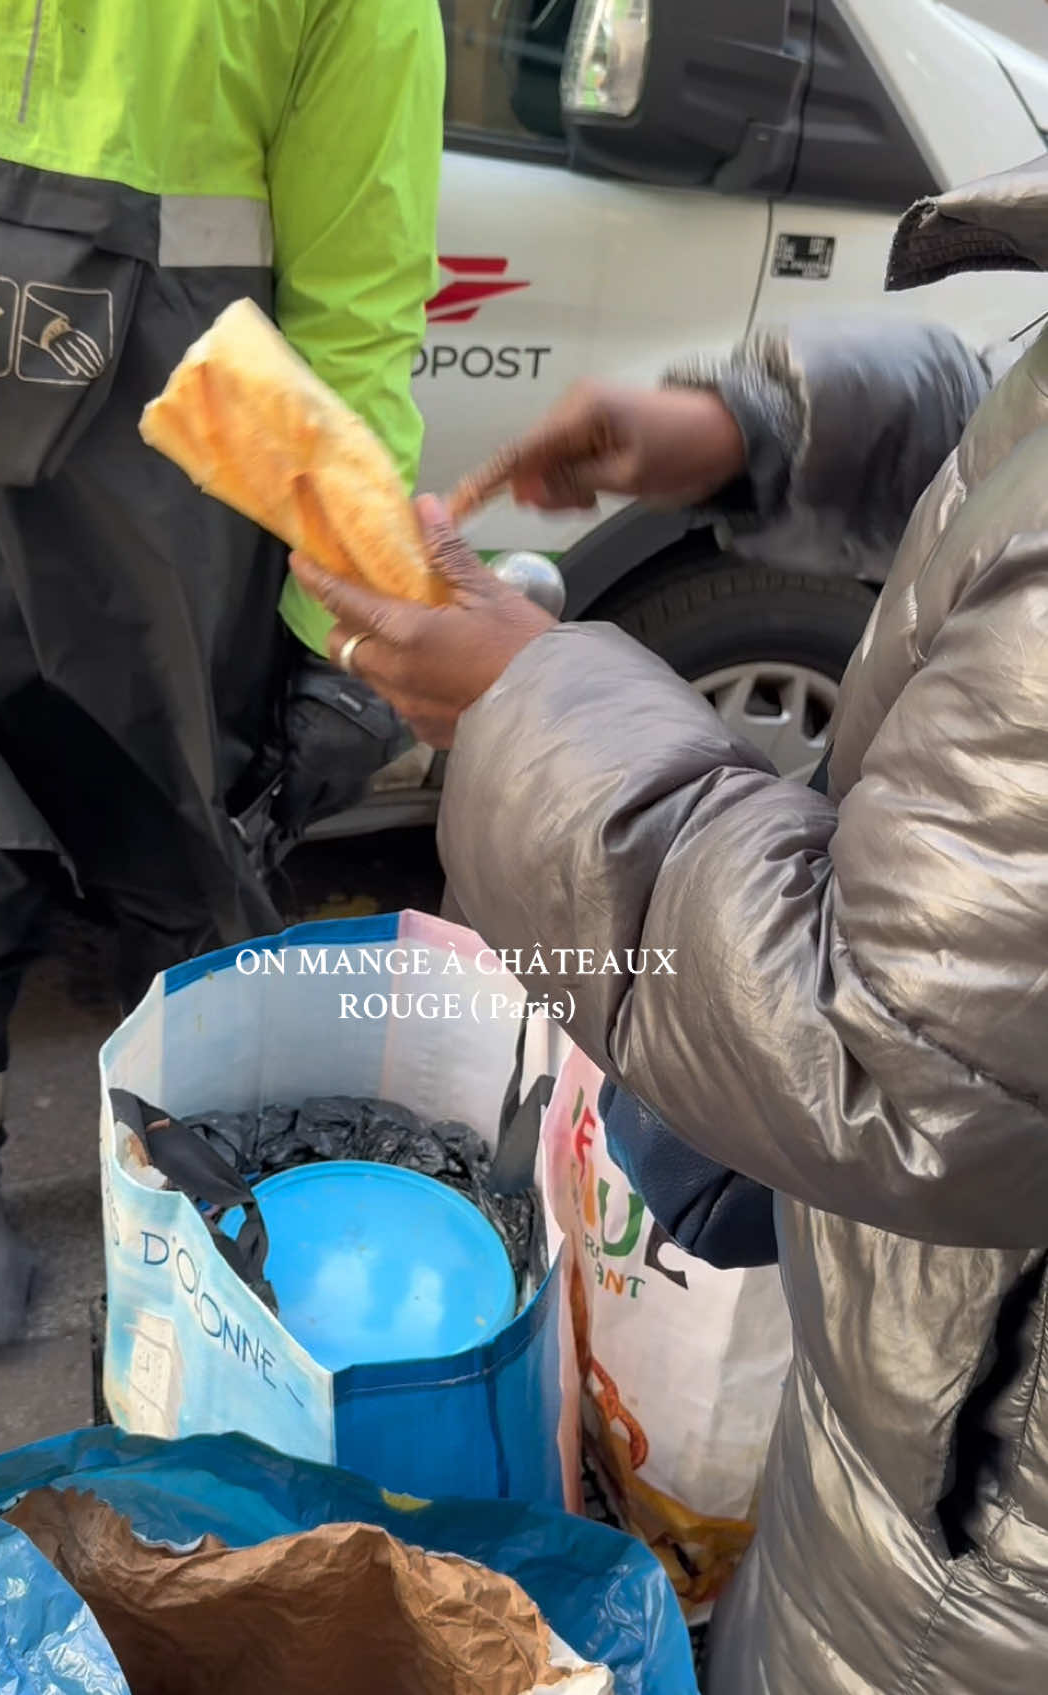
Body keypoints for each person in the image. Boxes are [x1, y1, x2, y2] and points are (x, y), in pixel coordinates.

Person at [290, 154, 1048, 1692]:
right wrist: (760, 431)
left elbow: (894, 1054)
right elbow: (1013, 437)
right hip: (921, 1420)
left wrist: (525, 710)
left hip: (977, 1555)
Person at [0, 0, 443, 1364]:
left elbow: (355, 323)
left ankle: (188, 1195)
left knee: (186, 875)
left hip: (172, 541)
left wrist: (335, 633)